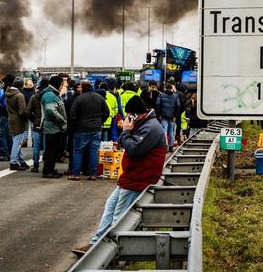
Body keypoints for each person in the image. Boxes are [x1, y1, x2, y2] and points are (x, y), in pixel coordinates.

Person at [73, 96, 168, 255]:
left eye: (129, 114)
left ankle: (112, 251)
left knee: (119, 215)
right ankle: (96, 243)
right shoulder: (144, 124)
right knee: (111, 206)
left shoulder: (151, 127)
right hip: (131, 176)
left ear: (136, 114)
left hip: (138, 178)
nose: (127, 117)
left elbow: (134, 149)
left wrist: (125, 132)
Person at [68, 81, 109, 181]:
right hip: (96, 129)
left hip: (82, 129)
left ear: (83, 88)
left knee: (78, 151)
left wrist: (75, 125)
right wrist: (100, 121)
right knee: (94, 151)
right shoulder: (99, 98)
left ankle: (76, 174)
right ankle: (93, 174)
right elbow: (107, 112)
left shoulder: (79, 98)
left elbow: (72, 114)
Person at [41, 74, 68, 178]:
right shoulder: (50, 95)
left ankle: (51, 169)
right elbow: (51, 111)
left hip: (54, 127)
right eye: (62, 84)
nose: (62, 87)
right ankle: (48, 171)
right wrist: (63, 121)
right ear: (58, 84)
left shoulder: (53, 94)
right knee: (51, 151)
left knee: (52, 151)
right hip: (52, 128)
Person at [6, 76, 29, 170]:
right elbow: (22, 111)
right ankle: (13, 162)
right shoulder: (19, 95)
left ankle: (22, 161)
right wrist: (27, 117)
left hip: (11, 119)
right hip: (19, 121)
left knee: (16, 141)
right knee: (17, 143)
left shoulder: (8, 93)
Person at [26, 78, 46, 173]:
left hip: (36, 124)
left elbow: (28, 111)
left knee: (36, 146)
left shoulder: (34, 97)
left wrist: (33, 119)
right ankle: (46, 166)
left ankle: (35, 165)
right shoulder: (48, 96)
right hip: (47, 124)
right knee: (47, 146)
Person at [155, 83, 181, 151]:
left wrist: (159, 115)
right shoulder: (175, 96)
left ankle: (165, 146)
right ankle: (171, 146)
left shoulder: (161, 95)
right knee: (171, 131)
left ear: (165, 88)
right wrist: (175, 116)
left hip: (163, 116)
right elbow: (178, 106)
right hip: (172, 117)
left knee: (164, 130)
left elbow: (157, 105)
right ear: (171, 89)